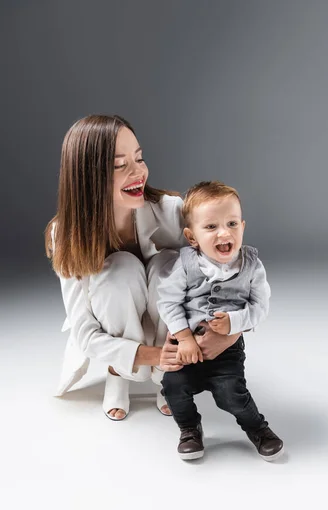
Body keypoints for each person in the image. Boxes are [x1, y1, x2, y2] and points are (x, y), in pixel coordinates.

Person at [45, 116, 240, 420]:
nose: (139, 172)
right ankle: (118, 372)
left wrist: (230, 333)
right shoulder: (66, 233)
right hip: (112, 322)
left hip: (169, 322)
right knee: (119, 269)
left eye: (139, 158)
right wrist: (152, 355)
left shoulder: (172, 211)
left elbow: (232, 276)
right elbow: (84, 330)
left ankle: (168, 377)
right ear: (88, 177)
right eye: (121, 165)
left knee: (168, 263)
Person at [157, 181, 284, 460]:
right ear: (192, 237)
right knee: (173, 387)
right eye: (211, 227)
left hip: (227, 349)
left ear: (242, 226)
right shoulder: (185, 264)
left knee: (231, 393)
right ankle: (190, 428)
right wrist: (186, 337)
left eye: (232, 223)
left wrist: (235, 323)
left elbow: (260, 306)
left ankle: (258, 429)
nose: (224, 233)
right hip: (188, 344)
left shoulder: (251, 265)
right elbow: (167, 301)